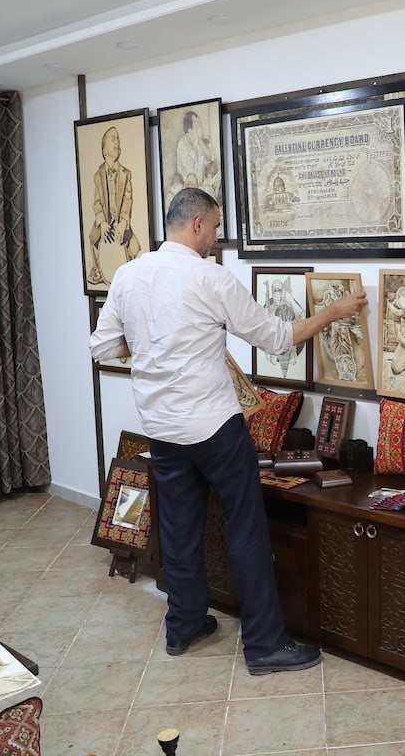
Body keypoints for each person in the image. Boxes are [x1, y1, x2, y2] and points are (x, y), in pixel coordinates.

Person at [89, 187, 367, 674]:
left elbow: (103, 347)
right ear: (197, 224)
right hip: (213, 427)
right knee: (246, 526)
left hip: (161, 427)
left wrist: (153, 344)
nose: (215, 237)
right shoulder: (210, 277)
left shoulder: (129, 275)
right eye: (215, 227)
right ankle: (264, 644)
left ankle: (184, 626)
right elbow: (277, 338)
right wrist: (331, 313)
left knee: (178, 528)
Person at [88, 125, 140, 286]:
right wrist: (102, 222)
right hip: (105, 221)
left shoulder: (126, 174)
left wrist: (124, 221)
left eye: (118, 139)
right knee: (92, 239)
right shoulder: (98, 175)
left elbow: (128, 200)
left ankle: (129, 270)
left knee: (135, 247)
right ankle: (98, 269)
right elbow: (97, 202)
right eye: (113, 139)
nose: (117, 142)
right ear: (104, 151)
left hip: (119, 221)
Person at [173, 110, 221, 220]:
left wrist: (199, 142)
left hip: (202, 183)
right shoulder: (182, 144)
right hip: (189, 185)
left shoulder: (200, 142)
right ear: (190, 131)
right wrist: (195, 146)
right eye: (196, 125)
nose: (200, 127)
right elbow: (191, 174)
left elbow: (210, 160)